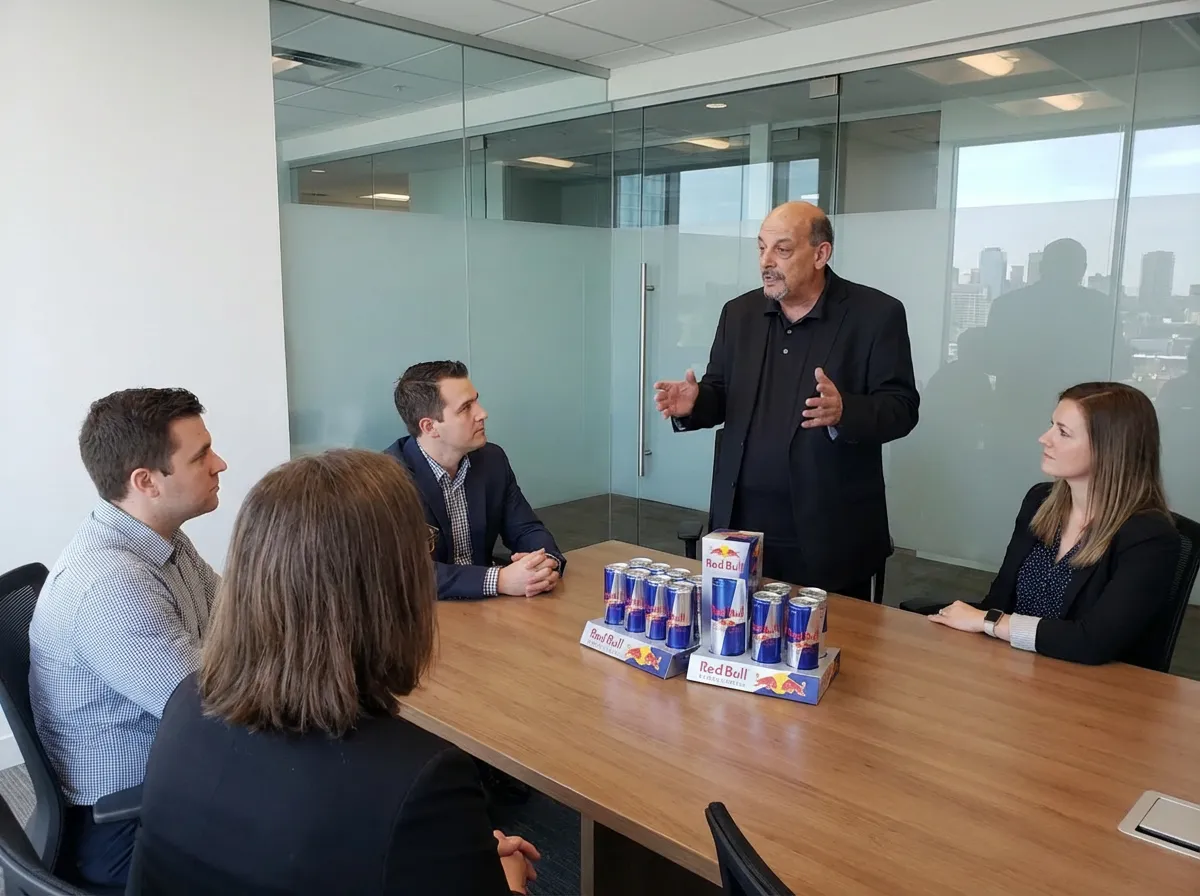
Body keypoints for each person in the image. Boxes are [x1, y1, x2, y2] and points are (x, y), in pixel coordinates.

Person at [130, 449, 540, 895]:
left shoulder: (187, 701)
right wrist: (509, 879)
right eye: (423, 547)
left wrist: (453, 855)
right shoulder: (421, 779)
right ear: (390, 591)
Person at [654, 201, 919, 599]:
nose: (767, 261)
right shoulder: (738, 314)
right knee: (735, 627)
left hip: (830, 530)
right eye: (761, 248)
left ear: (820, 254)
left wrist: (846, 411)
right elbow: (721, 394)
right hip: (741, 524)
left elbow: (902, 407)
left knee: (832, 635)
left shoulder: (875, 315)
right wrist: (696, 403)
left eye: (782, 249)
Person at [29, 388, 226, 887]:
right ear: (146, 481)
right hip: (126, 827)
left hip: (176, 774)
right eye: (201, 456)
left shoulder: (162, 537)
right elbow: (215, 710)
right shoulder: (111, 586)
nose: (219, 464)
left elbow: (236, 616)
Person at [931, 382, 1180, 665]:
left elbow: (1093, 642)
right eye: (1052, 426)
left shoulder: (1150, 538)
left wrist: (989, 622)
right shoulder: (1040, 501)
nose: (1044, 439)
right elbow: (998, 602)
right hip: (1012, 666)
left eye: (1063, 432)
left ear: (1109, 449)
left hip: (1087, 683)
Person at [385, 360, 566, 600]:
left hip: (487, 607)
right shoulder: (388, 480)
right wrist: (500, 580)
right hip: (428, 612)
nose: (482, 413)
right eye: (465, 408)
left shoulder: (491, 460)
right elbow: (405, 573)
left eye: (476, 401)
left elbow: (526, 528)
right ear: (430, 427)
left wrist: (545, 563)